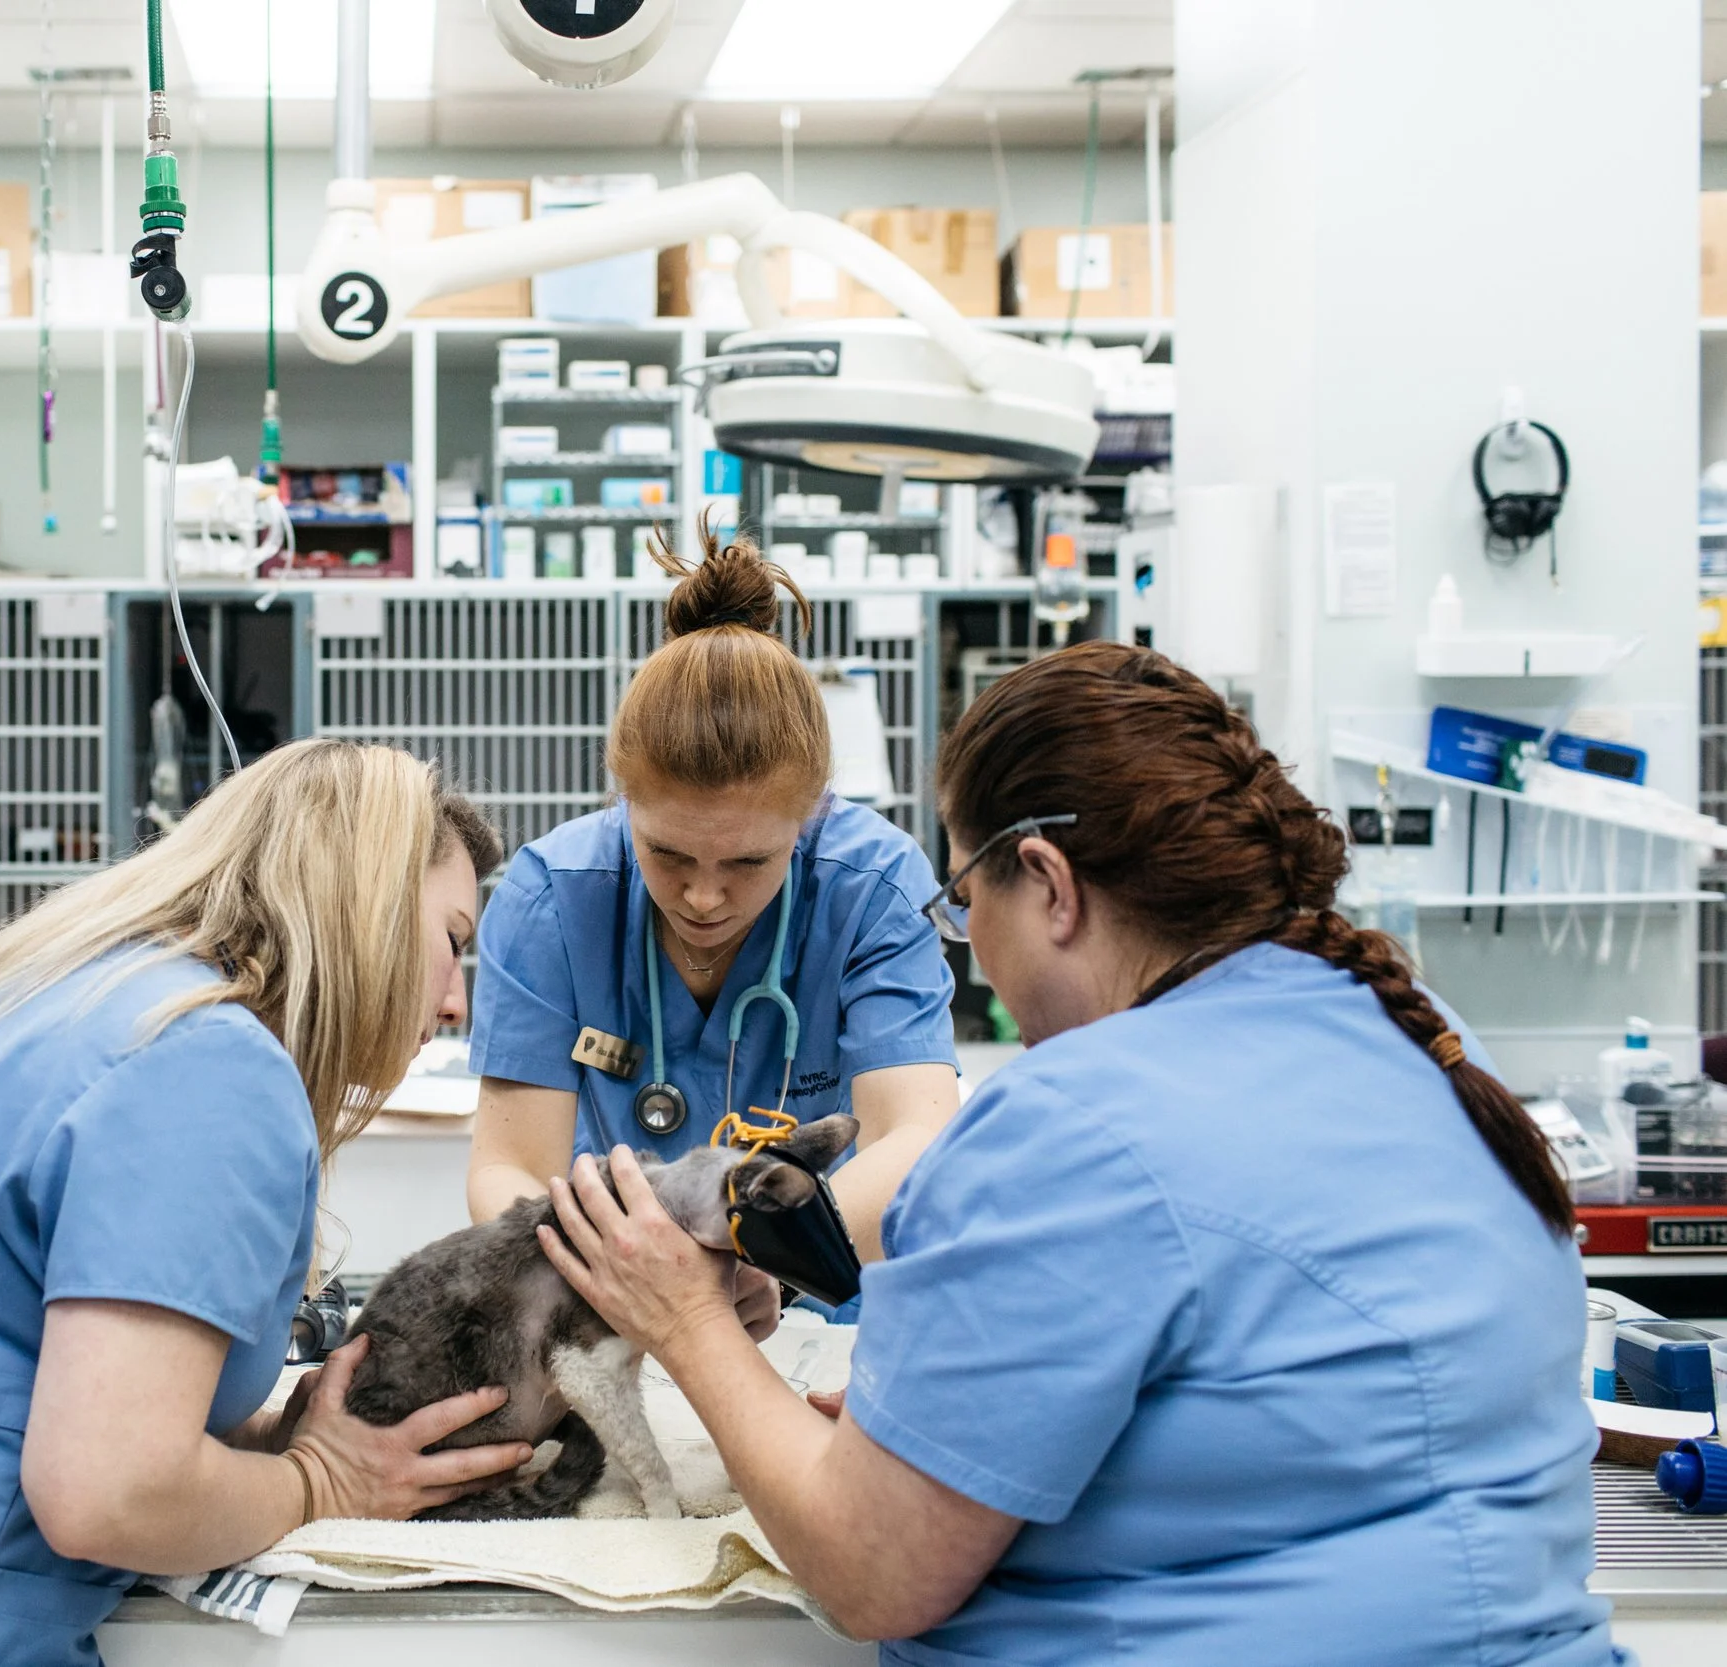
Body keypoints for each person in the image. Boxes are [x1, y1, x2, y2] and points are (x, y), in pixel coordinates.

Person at [537, 642, 1617, 1665]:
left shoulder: (1072, 1124)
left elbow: (869, 1572)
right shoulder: (1426, 1035)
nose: (978, 962)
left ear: (1047, 881)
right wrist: (928, 1429)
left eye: (964, 905)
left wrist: (681, 1319)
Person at [0, 741, 531, 1667]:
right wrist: (321, 1478)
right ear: (369, 904)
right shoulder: (208, 1069)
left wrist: (264, 1442)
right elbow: (107, 1493)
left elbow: (41, 1365)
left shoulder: (81, 992)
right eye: (453, 942)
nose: (452, 1002)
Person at [464, 524, 960, 1318]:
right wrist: (624, 1280)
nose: (702, 897)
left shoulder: (872, 887)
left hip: (825, 1312)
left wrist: (770, 1258)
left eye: (748, 863)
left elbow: (918, 1136)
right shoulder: (552, 898)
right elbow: (508, 1171)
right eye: (667, 854)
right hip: (613, 1303)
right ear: (621, 798)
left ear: (808, 818)